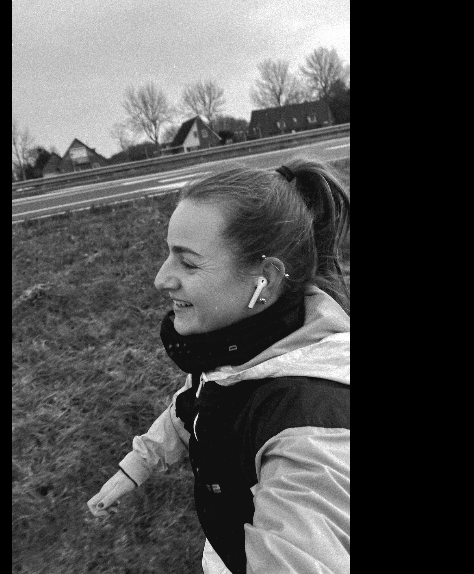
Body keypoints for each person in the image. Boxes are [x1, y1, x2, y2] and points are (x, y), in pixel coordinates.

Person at [87, 158, 350, 574]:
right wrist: (136, 466)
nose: (160, 279)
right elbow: (196, 404)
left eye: (188, 263)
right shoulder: (246, 349)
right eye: (168, 254)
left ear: (265, 280)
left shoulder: (308, 431)